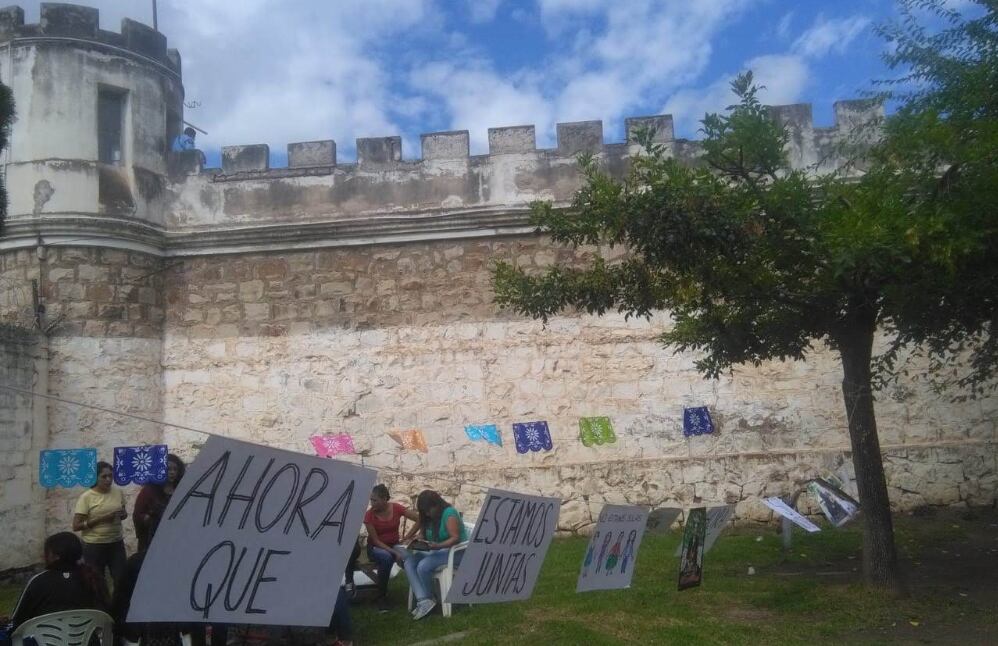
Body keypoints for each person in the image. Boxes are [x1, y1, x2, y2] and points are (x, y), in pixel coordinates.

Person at [3, 532, 109, 632]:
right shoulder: (93, 577)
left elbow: (17, 622)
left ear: (56, 556)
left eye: (46, 552)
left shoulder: (38, 581)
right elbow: (107, 617)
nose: (43, 555)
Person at [112, 517, 183, 646]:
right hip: (158, 629)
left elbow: (119, 604)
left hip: (138, 630)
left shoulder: (136, 562)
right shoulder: (179, 563)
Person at [402, 490, 468, 620]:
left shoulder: (449, 513)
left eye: (428, 510)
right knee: (409, 562)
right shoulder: (428, 517)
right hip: (436, 551)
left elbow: (455, 538)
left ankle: (429, 597)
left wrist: (438, 546)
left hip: (455, 552)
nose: (427, 514)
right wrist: (417, 540)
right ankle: (423, 600)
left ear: (436, 505)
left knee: (423, 566)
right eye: (424, 512)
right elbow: (424, 534)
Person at [362, 484, 419, 612]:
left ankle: (420, 594)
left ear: (384, 499)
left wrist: (408, 537)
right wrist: (394, 552)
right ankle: (381, 596)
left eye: (374, 500)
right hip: (375, 547)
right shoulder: (369, 515)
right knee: (386, 557)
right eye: (371, 499)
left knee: (410, 558)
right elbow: (375, 541)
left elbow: (419, 519)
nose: (371, 503)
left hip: (394, 544)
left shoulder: (396, 508)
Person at [72, 461, 128, 584]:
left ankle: (120, 603)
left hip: (116, 543)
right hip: (94, 545)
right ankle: (100, 603)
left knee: (122, 579)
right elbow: (76, 526)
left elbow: (124, 512)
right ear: (96, 478)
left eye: (110, 476)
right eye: (104, 477)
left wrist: (123, 515)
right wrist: (101, 519)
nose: (108, 480)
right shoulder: (86, 497)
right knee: (96, 581)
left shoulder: (118, 492)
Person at [132, 453, 185, 552]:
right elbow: (138, 515)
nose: (172, 472)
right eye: (168, 469)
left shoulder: (181, 490)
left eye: (175, 469)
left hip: (175, 539)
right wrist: (149, 518)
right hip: (152, 540)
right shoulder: (148, 491)